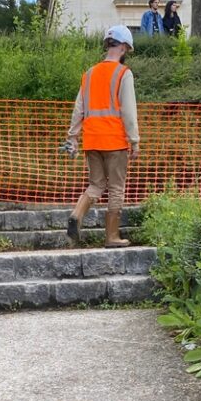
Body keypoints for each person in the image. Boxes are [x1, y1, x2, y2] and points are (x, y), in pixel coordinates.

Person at [65, 25, 140, 249]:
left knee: (96, 184)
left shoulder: (89, 73)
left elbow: (79, 108)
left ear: (108, 45)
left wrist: (73, 137)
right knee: (116, 187)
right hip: (114, 141)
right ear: (125, 48)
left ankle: (76, 215)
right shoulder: (123, 73)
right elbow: (128, 110)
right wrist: (134, 140)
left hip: (92, 140)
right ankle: (112, 237)